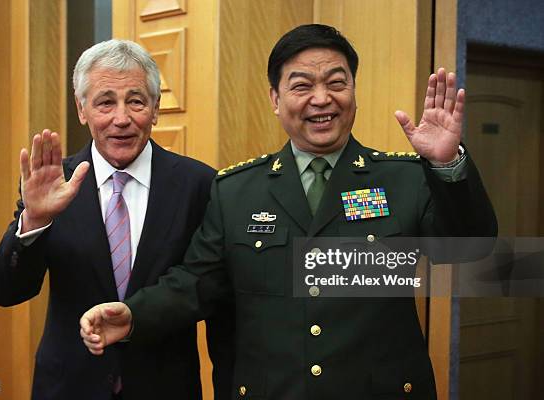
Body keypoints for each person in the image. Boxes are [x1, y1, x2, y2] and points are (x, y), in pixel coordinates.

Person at [80, 25, 497, 399]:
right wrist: (134, 315)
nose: (322, 99)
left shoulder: (405, 179)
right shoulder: (236, 191)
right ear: (276, 100)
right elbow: (196, 284)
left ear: (354, 92)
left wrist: (446, 166)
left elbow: (468, 251)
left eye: (337, 83)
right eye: (302, 86)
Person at [0, 39, 234, 400]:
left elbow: (209, 289)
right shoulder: (54, 180)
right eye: (105, 102)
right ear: (81, 108)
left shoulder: (199, 184)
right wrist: (35, 219)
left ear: (156, 108)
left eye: (136, 101)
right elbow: (6, 290)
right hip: (69, 386)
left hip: (165, 386)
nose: (121, 119)